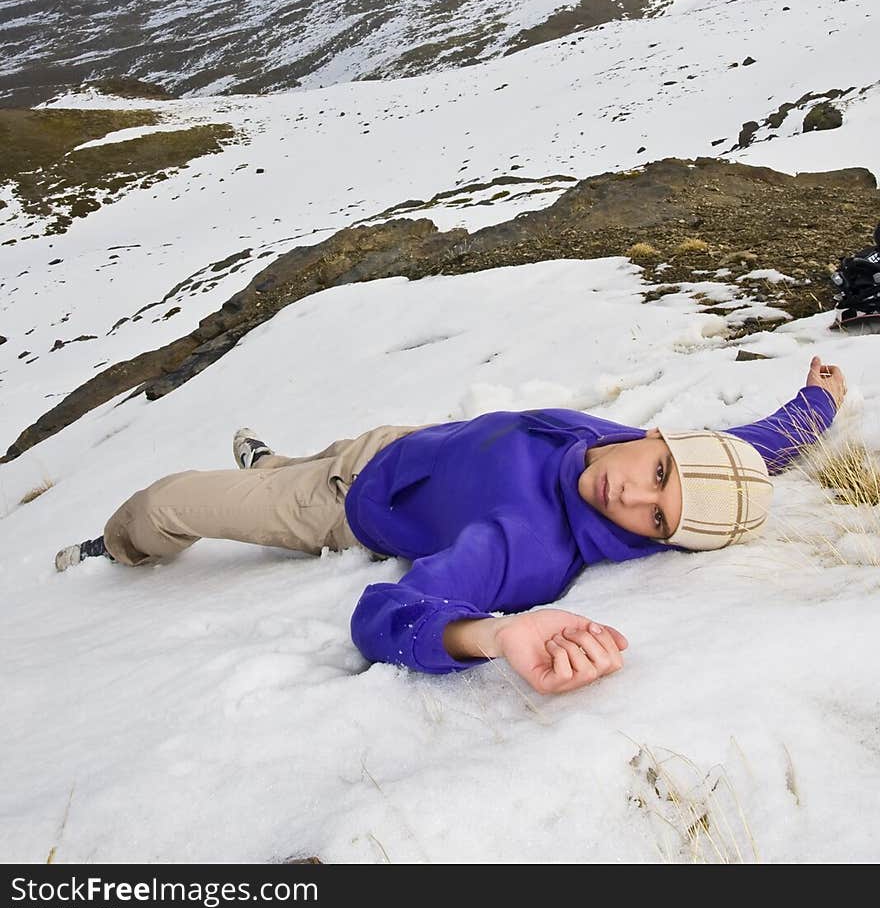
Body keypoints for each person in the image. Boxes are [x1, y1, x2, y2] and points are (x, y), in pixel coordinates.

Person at [54, 355, 846, 696]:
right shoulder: (619, 448)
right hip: (401, 446)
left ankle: (112, 549)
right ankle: (268, 463)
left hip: (337, 505)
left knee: (169, 502)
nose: (632, 500)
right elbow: (747, 451)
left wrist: (494, 637)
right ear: (661, 440)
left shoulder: (528, 546)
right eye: (659, 475)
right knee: (290, 465)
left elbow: (389, 618)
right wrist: (820, 404)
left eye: (657, 522)